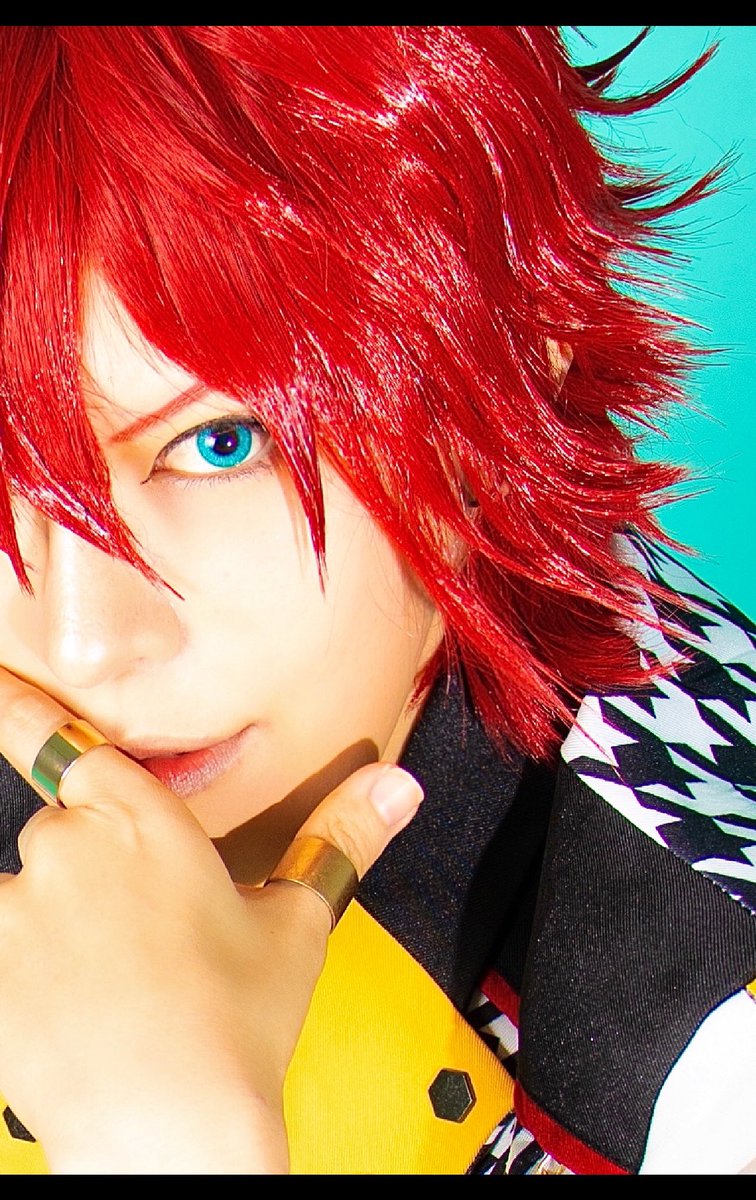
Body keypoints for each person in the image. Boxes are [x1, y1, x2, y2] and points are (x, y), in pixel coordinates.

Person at [0, 24, 752, 1176]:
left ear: (509, 380)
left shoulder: (707, 1008)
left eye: (219, 442)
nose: (85, 642)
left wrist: (173, 1149)